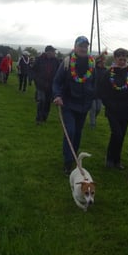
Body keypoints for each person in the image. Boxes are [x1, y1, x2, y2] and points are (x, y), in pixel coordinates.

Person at [53, 36, 97, 174]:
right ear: (75, 47)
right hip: (68, 103)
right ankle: (67, 162)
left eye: (85, 46)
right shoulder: (67, 62)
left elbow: (94, 83)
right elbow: (57, 82)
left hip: (84, 105)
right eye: (81, 46)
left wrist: (93, 96)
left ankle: (73, 156)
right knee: (70, 131)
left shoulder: (92, 63)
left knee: (78, 133)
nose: (83, 49)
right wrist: (57, 95)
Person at [98, 48, 128, 169]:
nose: (122, 61)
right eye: (120, 59)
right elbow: (102, 91)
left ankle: (117, 160)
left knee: (122, 135)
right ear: (115, 58)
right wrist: (108, 104)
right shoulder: (109, 73)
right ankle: (110, 158)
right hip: (112, 110)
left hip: (126, 110)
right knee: (117, 134)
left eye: (124, 59)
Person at [32, 45, 60, 125]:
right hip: (41, 85)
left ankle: (44, 117)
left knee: (48, 102)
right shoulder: (39, 59)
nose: (54, 53)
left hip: (51, 85)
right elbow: (33, 71)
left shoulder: (56, 61)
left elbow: (59, 72)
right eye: (53, 51)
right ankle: (39, 118)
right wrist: (37, 80)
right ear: (48, 52)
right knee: (41, 100)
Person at [89, 53, 107, 129]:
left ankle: (94, 119)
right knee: (93, 109)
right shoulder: (93, 69)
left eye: (104, 61)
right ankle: (92, 124)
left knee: (98, 108)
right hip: (92, 92)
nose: (103, 63)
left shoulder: (106, 71)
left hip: (100, 93)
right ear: (98, 62)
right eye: (102, 61)